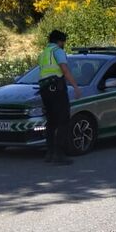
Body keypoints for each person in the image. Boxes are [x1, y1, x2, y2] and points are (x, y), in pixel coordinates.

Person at [38, 30, 81, 164]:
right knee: (63, 121)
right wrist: (75, 86)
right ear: (60, 41)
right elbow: (64, 69)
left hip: (45, 89)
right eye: (64, 42)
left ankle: (49, 153)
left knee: (51, 122)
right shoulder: (57, 51)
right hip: (56, 89)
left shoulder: (44, 53)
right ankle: (59, 155)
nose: (64, 45)